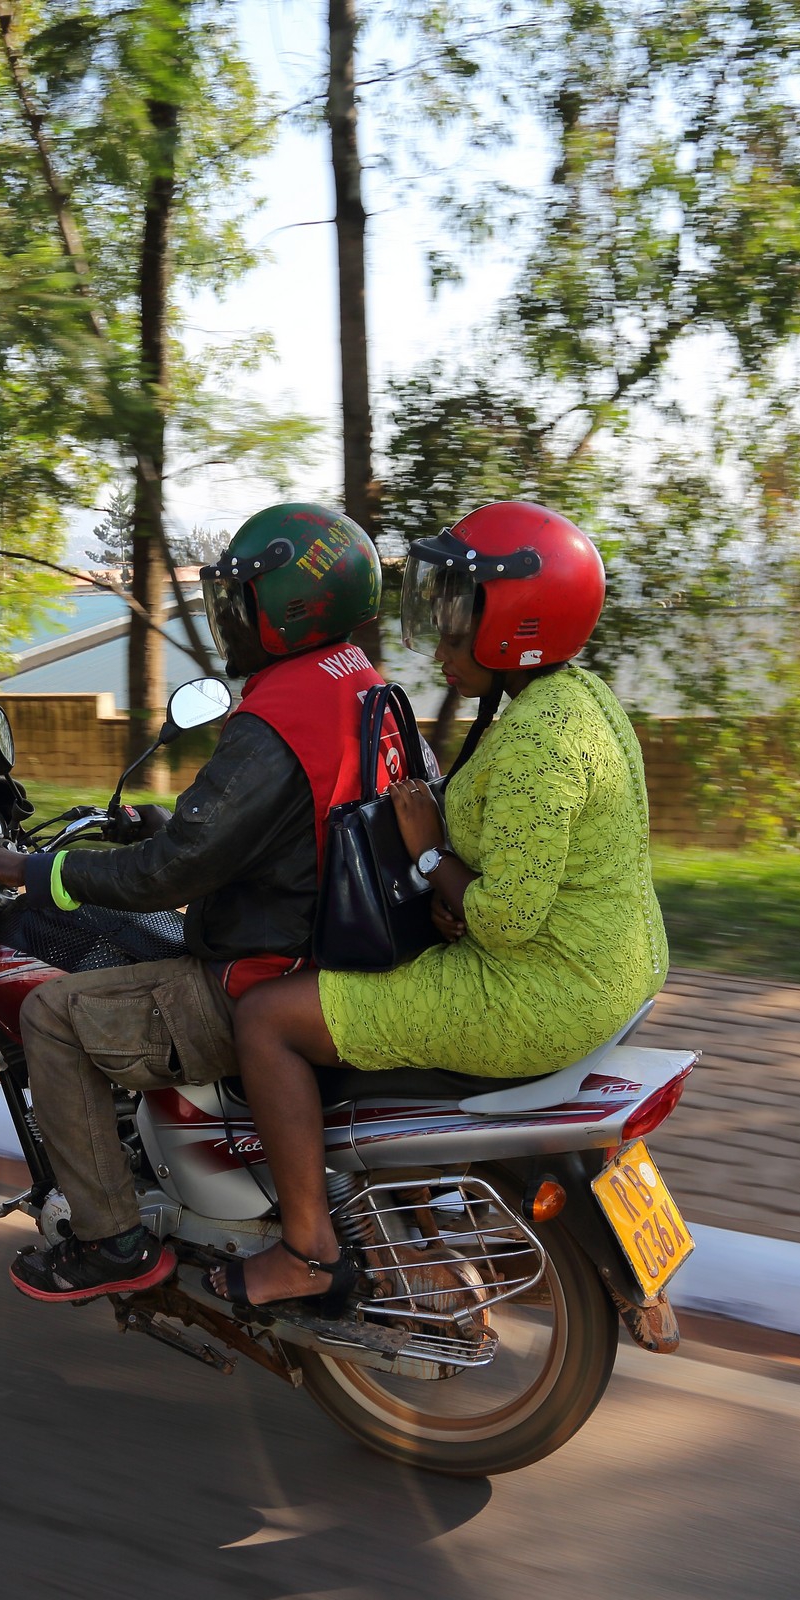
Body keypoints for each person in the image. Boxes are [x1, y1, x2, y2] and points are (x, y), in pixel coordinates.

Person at [212, 501, 670, 1311]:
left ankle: (306, 1251)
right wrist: (454, 880)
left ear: (514, 628)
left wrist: (429, 852)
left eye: (458, 619)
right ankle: (409, 1211)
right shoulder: (582, 698)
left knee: (267, 1018)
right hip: (616, 969)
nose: (443, 640)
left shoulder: (536, 739)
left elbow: (503, 919)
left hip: (537, 993)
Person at [0, 502, 390, 1302]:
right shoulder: (365, 688)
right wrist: (160, 825)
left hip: (262, 974)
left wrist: (34, 868)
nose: (228, 615)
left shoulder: (278, 713)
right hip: (336, 953)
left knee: (53, 1014)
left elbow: (167, 877)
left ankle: (109, 1236)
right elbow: (286, 827)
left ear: (290, 609)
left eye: (240, 598)